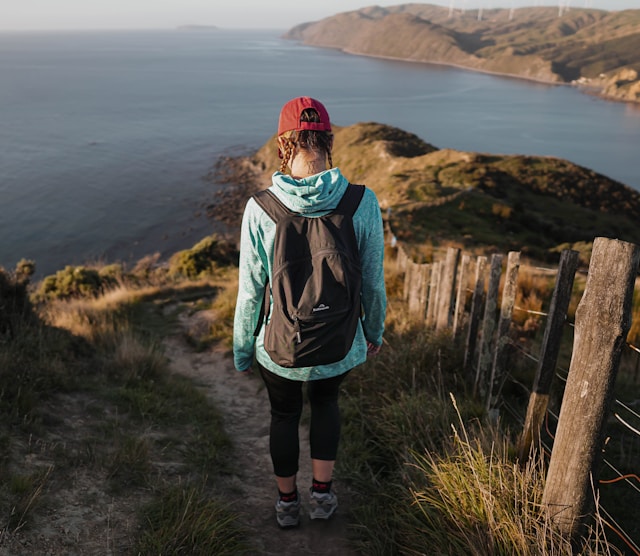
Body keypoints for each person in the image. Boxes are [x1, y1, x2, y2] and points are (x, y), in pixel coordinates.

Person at [233, 96, 387, 528]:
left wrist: (244, 349)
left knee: (283, 415)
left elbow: (250, 293)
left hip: (280, 346)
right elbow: (373, 282)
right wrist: (373, 331)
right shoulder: (361, 201)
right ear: (328, 139)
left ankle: (287, 504)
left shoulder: (260, 208)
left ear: (283, 143)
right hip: (339, 342)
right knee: (327, 404)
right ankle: (322, 497)